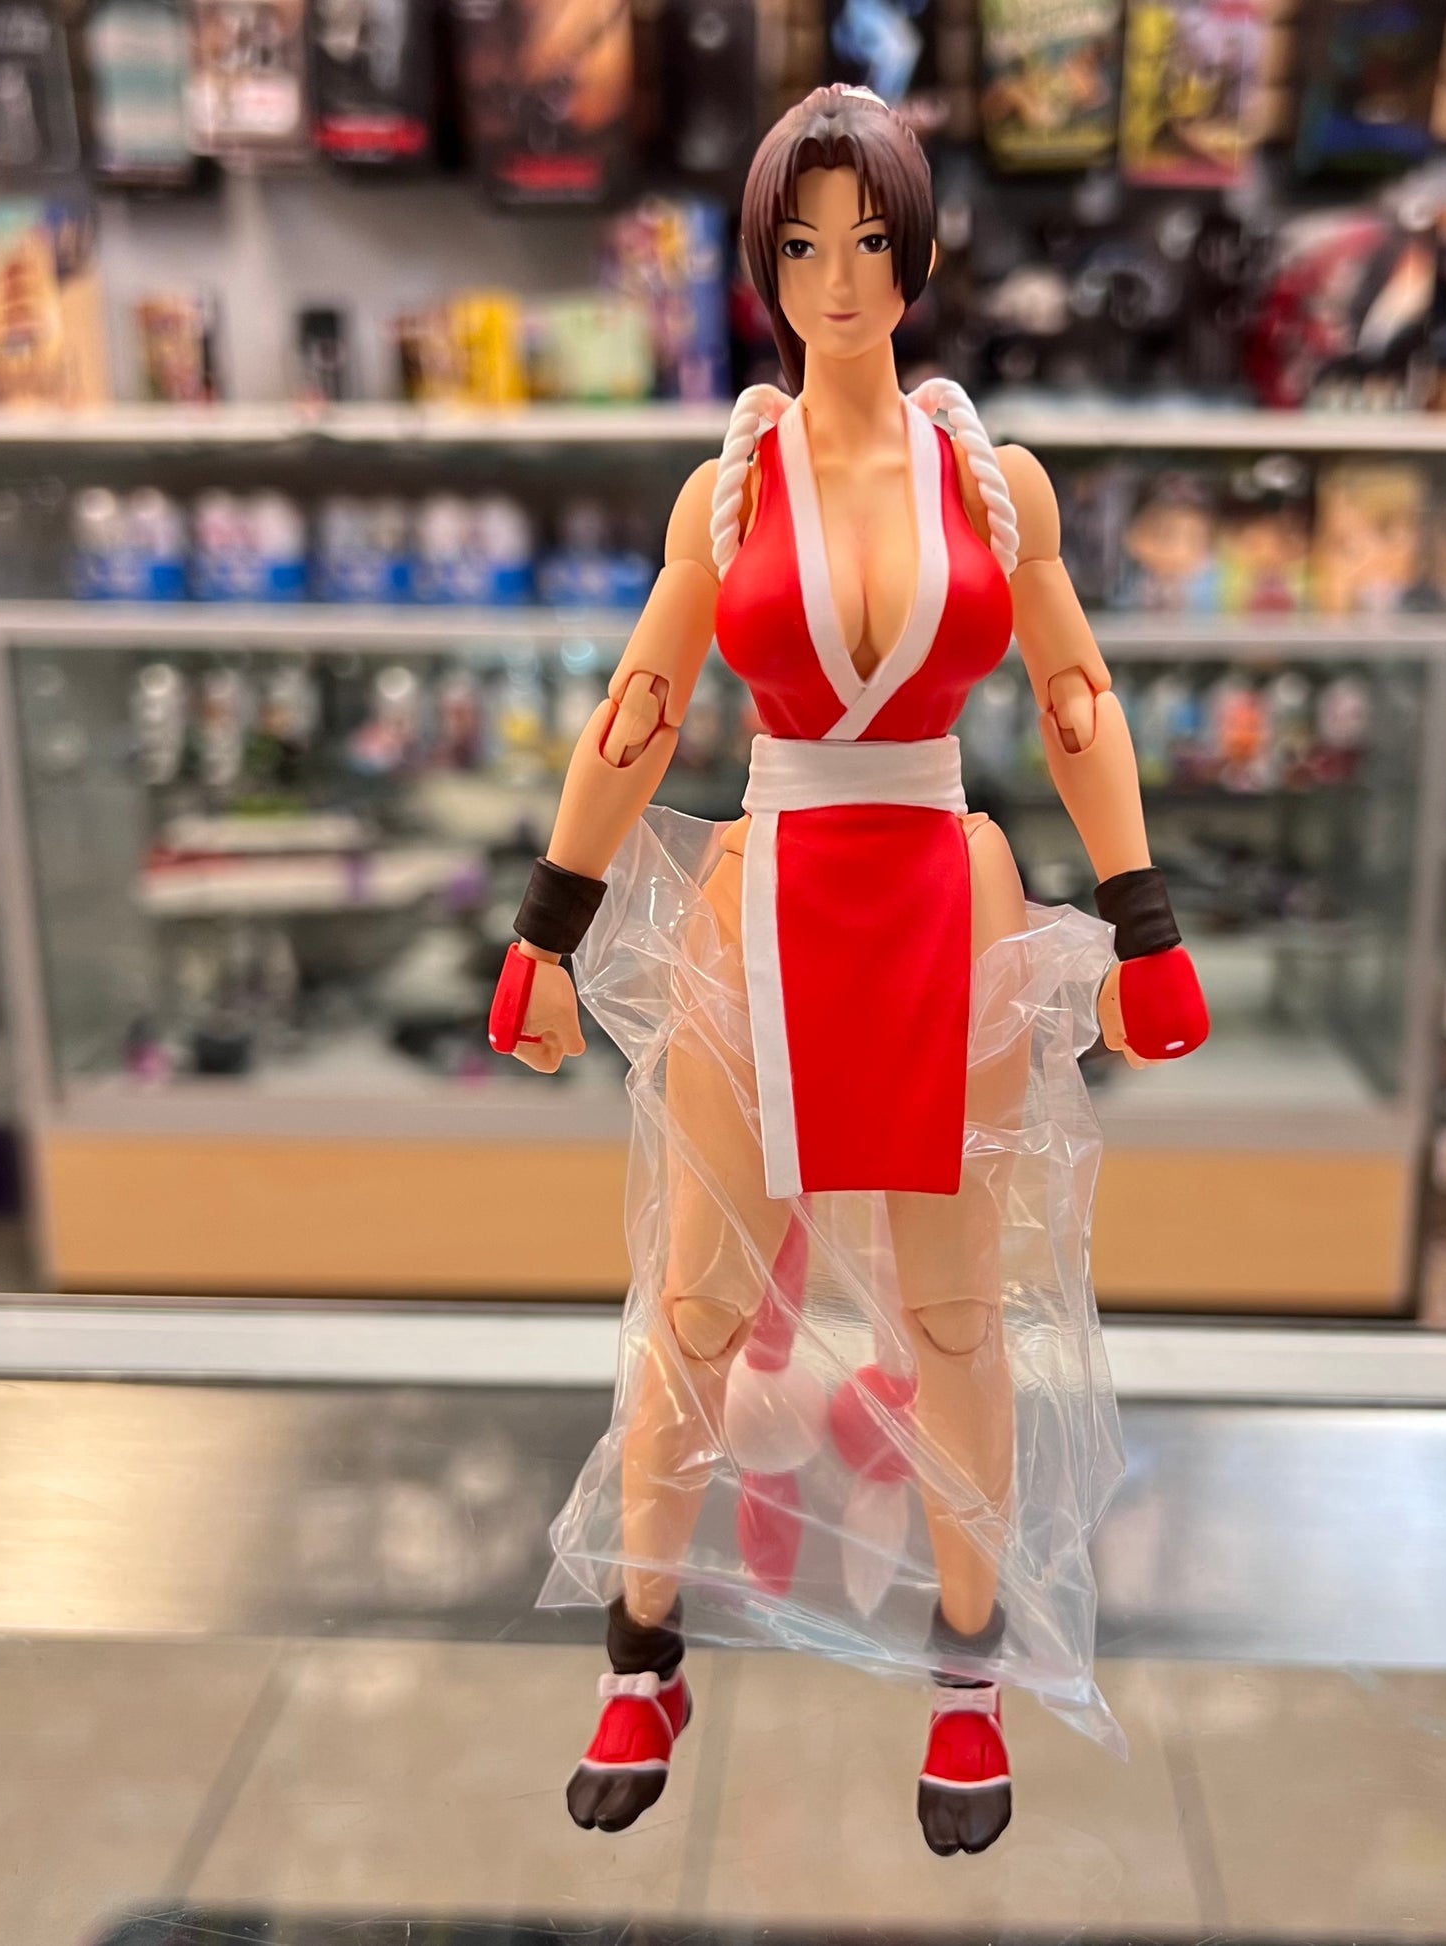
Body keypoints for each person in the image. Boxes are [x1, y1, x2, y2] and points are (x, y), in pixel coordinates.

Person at [488, 84, 1208, 1856]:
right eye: (802, 245)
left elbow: (1075, 699)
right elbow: (640, 709)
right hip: (764, 896)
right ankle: (642, 1647)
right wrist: (547, 921)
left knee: (956, 1312)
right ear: (763, 265)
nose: (837, 278)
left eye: (868, 241)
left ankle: (967, 1665)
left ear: (918, 255)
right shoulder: (730, 488)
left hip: (943, 904)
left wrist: (1143, 917)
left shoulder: (993, 482)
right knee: (694, 1300)